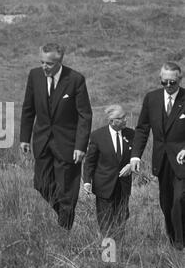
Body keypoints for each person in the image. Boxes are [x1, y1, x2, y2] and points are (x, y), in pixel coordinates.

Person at [20, 43, 92, 230]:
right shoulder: (34, 76)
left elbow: (85, 115)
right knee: (41, 184)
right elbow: (28, 109)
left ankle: (64, 229)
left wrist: (80, 146)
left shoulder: (75, 79)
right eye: (42, 62)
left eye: (49, 64)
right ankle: (64, 213)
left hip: (68, 144)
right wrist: (24, 138)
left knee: (67, 188)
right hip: (42, 141)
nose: (44, 66)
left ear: (59, 62)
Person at [130, 61, 185, 250]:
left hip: (182, 160)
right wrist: (135, 156)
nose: (169, 86)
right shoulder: (151, 99)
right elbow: (142, 129)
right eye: (165, 82)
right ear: (160, 80)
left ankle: (180, 242)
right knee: (166, 202)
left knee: (180, 199)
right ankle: (172, 239)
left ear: (180, 79)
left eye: (173, 83)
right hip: (161, 161)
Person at [83, 105, 134, 239]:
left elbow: (136, 156)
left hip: (123, 187)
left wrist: (130, 165)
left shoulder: (131, 134)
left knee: (121, 220)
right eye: (121, 118)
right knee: (106, 222)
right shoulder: (97, 136)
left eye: (125, 116)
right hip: (104, 186)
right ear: (112, 121)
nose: (125, 119)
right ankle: (108, 257)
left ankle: (119, 253)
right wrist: (87, 182)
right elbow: (89, 162)